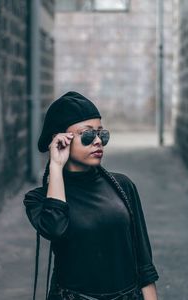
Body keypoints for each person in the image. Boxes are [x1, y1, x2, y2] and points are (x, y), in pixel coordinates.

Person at [23, 91, 159, 300]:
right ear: (60, 140)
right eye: (87, 135)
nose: (97, 142)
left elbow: (143, 260)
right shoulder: (38, 199)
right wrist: (56, 166)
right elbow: (55, 229)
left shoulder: (122, 185)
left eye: (102, 134)